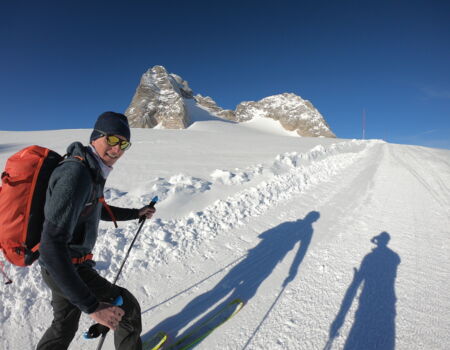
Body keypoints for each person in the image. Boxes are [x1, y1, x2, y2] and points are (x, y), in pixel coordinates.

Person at [37, 112, 155, 350]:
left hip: (60, 268)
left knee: (63, 326)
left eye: (124, 144)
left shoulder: (90, 170)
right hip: (66, 266)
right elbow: (51, 247)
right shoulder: (76, 174)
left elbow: (95, 209)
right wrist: (92, 307)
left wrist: (136, 213)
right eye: (112, 139)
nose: (117, 149)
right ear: (96, 137)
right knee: (126, 307)